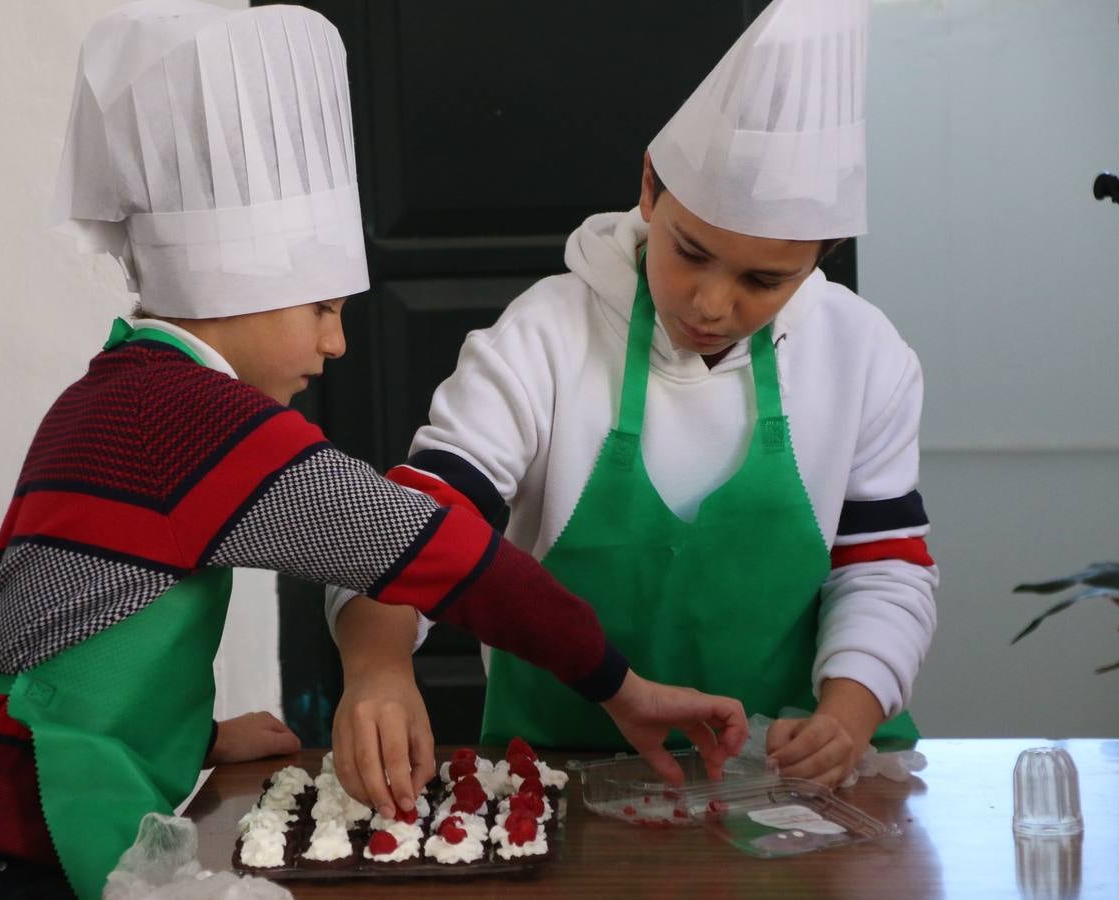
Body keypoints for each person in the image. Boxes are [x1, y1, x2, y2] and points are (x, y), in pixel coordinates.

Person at [0, 4, 748, 899]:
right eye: (323, 308)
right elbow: (450, 555)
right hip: (20, 850)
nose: (338, 346)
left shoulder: (103, 397)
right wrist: (616, 683)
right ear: (235, 294)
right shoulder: (208, 424)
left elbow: (53, 637)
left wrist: (194, 740)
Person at [327, 0, 938, 790]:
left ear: (823, 255)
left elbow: (884, 562)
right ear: (650, 187)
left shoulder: (864, 354)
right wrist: (377, 666)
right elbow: (416, 521)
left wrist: (848, 716)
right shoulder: (546, 338)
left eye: (764, 280)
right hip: (565, 776)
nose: (712, 305)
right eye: (691, 252)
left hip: (799, 792)